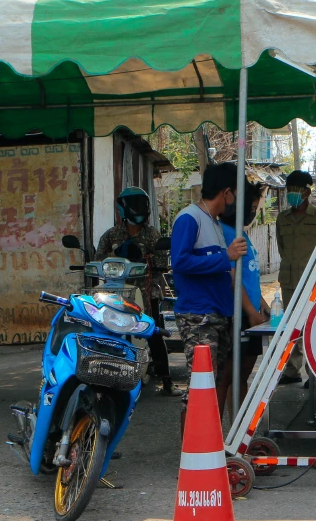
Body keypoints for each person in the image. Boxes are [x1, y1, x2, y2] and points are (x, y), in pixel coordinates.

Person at [170, 162, 247, 421]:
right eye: (234, 193)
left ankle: (207, 450)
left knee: (212, 384)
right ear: (226, 192)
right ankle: (190, 456)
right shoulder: (189, 218)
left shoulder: (213, 223)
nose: (235, 200)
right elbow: (179, 262)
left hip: (217, 314)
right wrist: (225, 257)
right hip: (198, 315)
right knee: (198, 387)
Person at [96, 187, 177, 396]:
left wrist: (144, 256)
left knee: (154, 332)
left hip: (147, 293)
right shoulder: (111, 235)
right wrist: (116, 254)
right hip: (117, 294)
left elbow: (162, 262)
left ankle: (166, 380)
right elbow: (98, 261)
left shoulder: (152, 235)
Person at [219, 179, 268, 409]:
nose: (252, 213)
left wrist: (263, 303)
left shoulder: (242, 233)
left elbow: (248, 274)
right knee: (227, 377)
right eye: (249, 208)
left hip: (252, 313)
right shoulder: (227, 233)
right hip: (239, 314)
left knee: (241, 377)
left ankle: (238, 434)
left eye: (255, 209)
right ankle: (219, 437)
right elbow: (231, 277)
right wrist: (250, 311)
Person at [275, 170, 316, 384]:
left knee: (312, 327)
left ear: (307, 192)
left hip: (312, 282)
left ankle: (314, 375)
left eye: (296, 191)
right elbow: (282, 248)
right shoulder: (282, 218)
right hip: (289, 281)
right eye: (289, 191)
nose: (292, 195)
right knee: (289, 326)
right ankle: (290, 370)